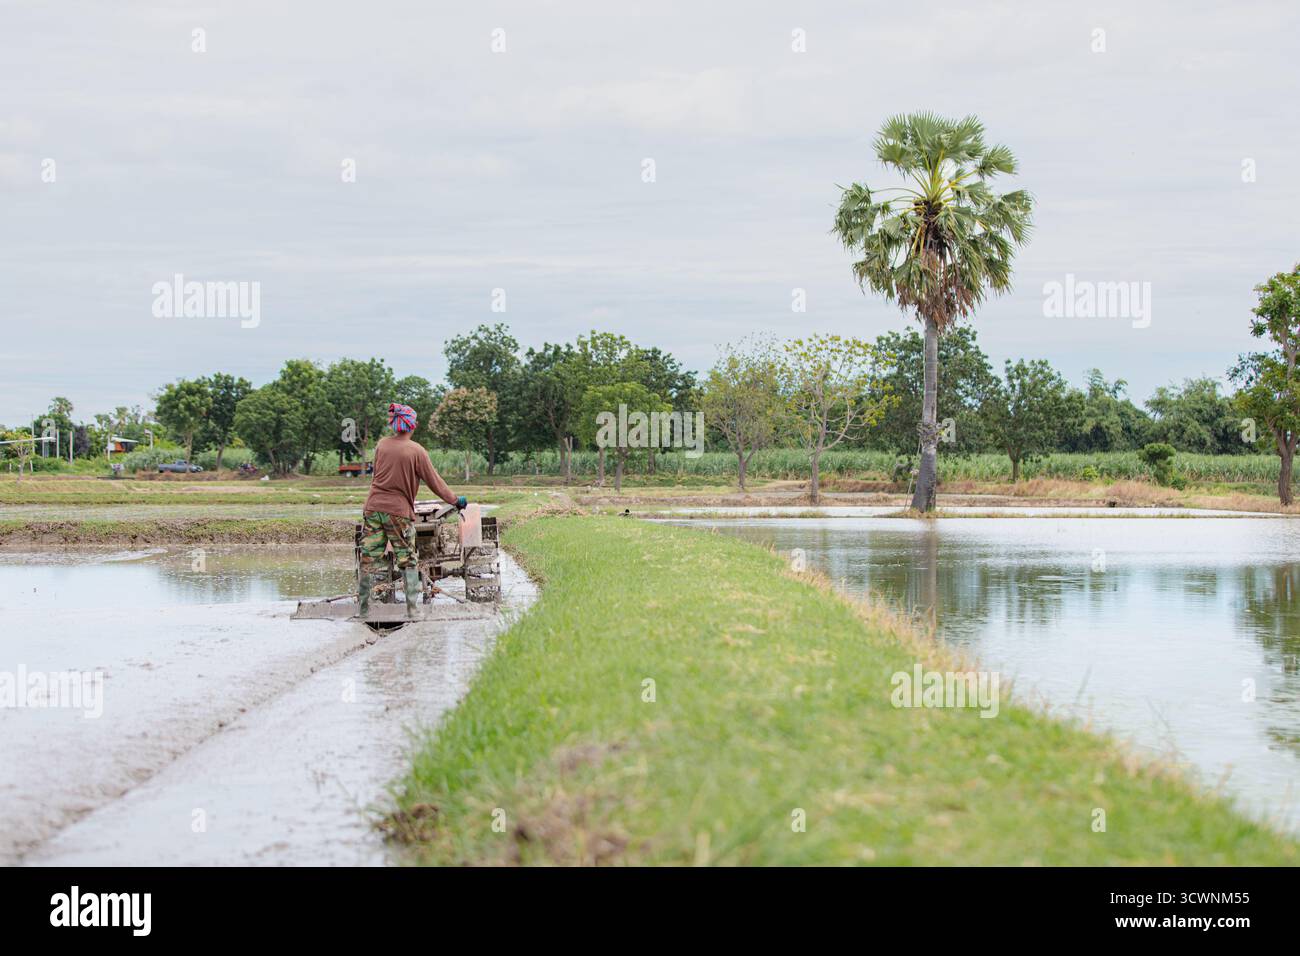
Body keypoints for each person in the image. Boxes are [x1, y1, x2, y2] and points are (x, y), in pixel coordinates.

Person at [357, 402, 466, 619]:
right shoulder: (417, 451)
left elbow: (376, 476)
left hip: (373, 507)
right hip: (398, 512)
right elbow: (435, 483)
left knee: (368, 557)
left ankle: (363, 609)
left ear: (395, 425)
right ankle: (412, 611)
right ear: (412, 426)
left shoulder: (381, 445)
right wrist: (455, 500)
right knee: (407, 559)